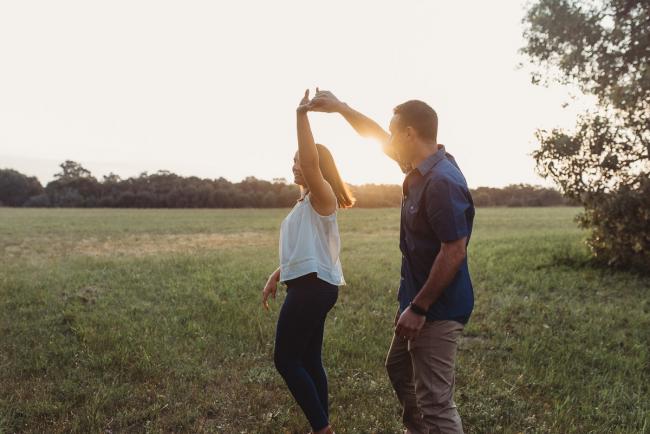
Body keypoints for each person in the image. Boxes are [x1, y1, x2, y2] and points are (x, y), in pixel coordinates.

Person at [309, 89, 475, 434]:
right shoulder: (420, 166)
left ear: (410, 134)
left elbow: (454, 251)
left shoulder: (442, 181)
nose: (389, 138)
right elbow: (376, 137)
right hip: (417, 303)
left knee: (436, 402)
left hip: (436, 308)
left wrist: (419, 308)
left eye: (394, 131)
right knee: (399, 368)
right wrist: (341, 108)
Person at [262, 90, 354, 434]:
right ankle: (324, 424)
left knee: (285, 360)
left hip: (312, 288)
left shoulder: (322, 194)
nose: (295, 164)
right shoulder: (304, 203)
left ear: (315, 164)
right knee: (310, 360)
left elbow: (313, 164)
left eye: (300, 159)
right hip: (311, 285)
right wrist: (277, 274)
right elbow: (305, 249)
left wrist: (301, 115)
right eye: (294, 159)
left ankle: (322, 429)